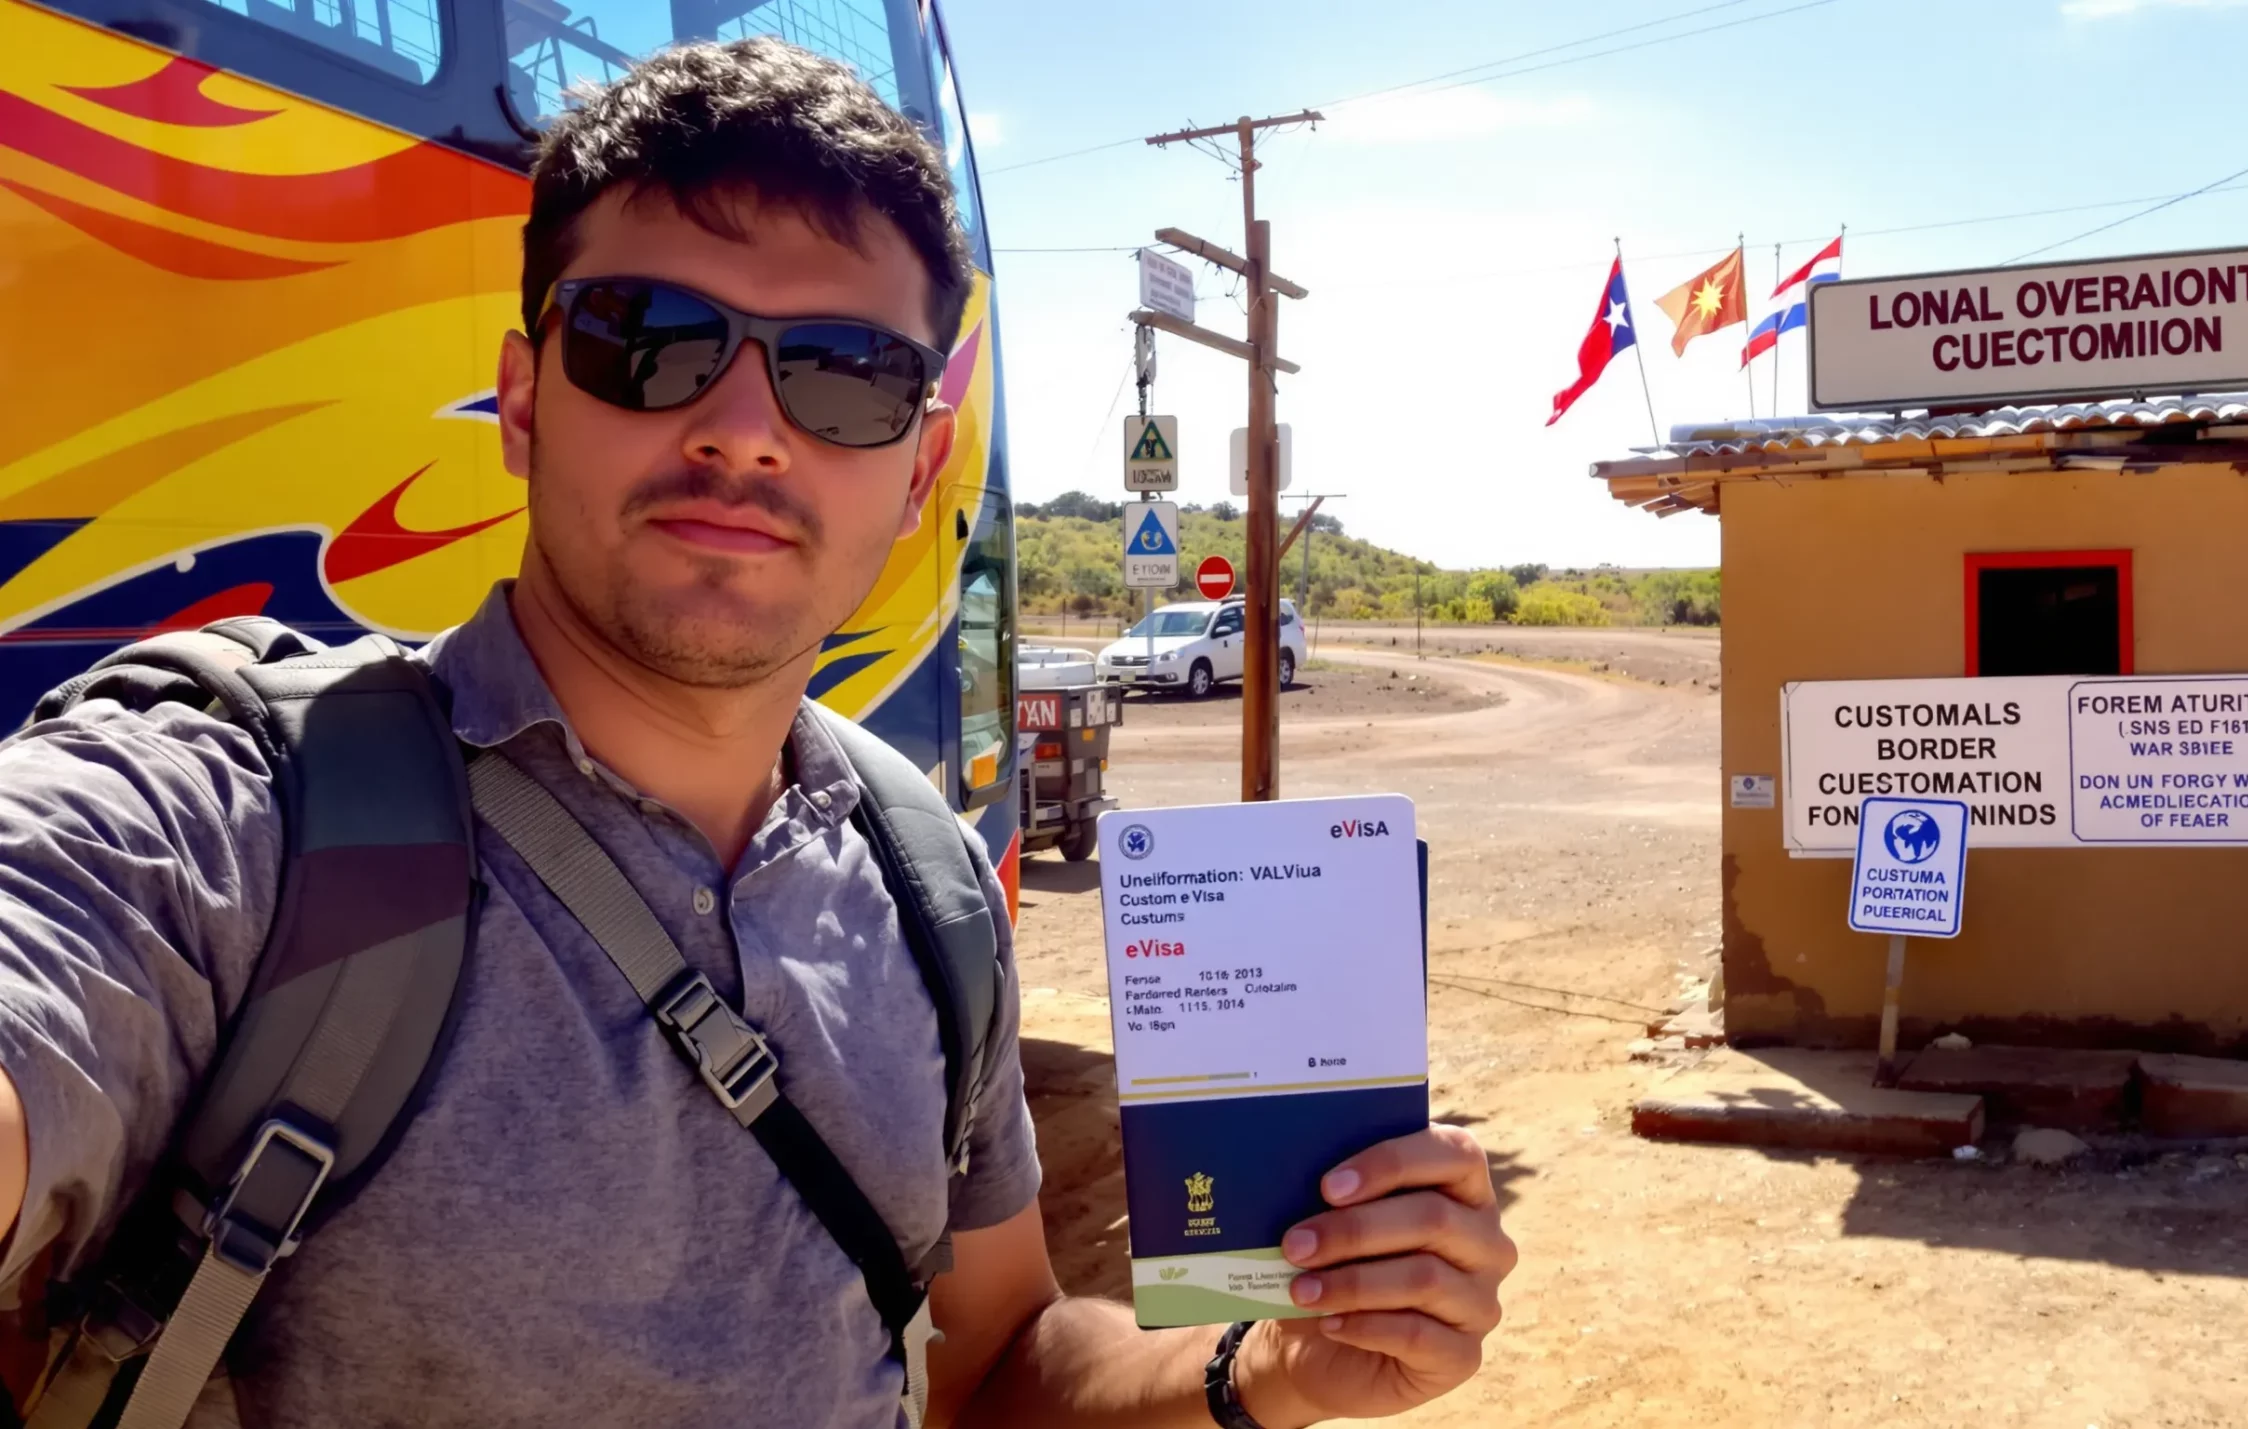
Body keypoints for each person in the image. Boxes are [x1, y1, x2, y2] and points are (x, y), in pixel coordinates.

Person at [0, 37, 1513, 1429]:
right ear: (524, 399)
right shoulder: (235, 803)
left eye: (843, 374)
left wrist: (1259, 1365)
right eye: (648, 338)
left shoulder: (926, 884)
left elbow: (1000, 1361)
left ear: (920, 474)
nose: (743, 425)